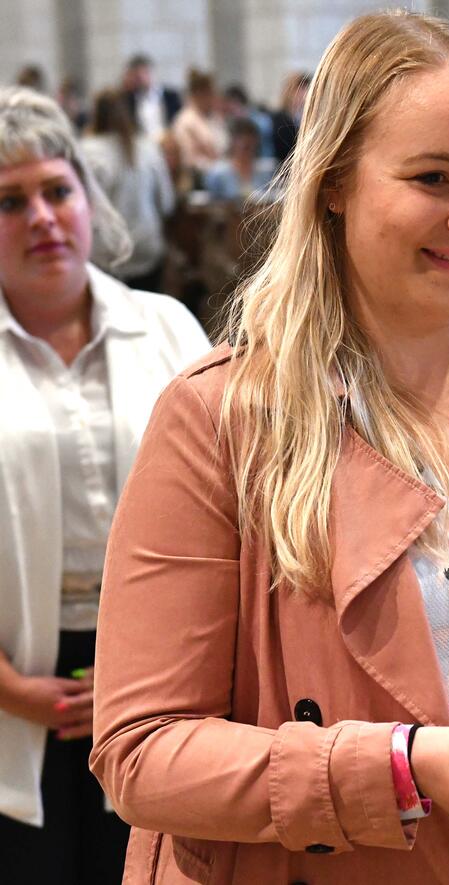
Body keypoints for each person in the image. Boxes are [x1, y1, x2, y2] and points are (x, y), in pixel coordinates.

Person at [89, 11, 449, 885]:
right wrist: (401, 767)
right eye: (432, 177)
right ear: (333, 182)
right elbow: (141, 750)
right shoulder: (223, 418)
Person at [0, 86, 209, 883]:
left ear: (89, 198)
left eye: (58, 190)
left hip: (163, 667)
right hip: (18, 671)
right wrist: (10, 686)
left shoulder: (166, 328)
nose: (43, 217)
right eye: (9, 201)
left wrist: (143, 673)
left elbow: (229, 505)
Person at [81, 88, 176, 293]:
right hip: (147, 249)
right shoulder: (149, 148)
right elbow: (167, 203)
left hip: (105, 254)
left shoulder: (86, 151)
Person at [170, 69, 228, 183]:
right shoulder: (185, 120)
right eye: (211, 93)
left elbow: (224, 147)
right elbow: (187, 159)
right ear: (199, 93)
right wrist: (215, 166)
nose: (214, 97)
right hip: (199, 178)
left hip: (221, 173)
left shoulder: (215, 117)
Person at [204, 117, 275, 201]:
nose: (245, 142)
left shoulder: (266, 172)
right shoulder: (217, 173)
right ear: (232, 142)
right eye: (240, 138)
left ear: (256, 142)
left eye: (249, 144)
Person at [121, 54, 182, 141]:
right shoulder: (129, 99)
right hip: (143, 144)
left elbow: (178, 121)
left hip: (168, 142)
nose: (140, 79)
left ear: (151, 72)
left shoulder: (171, 96)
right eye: (136, 77)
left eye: (143, 74)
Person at [271, 71, 311, 171]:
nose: (304, 94)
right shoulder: (279, 118)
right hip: (284, 170)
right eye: (300, 89)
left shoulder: (304, 117)